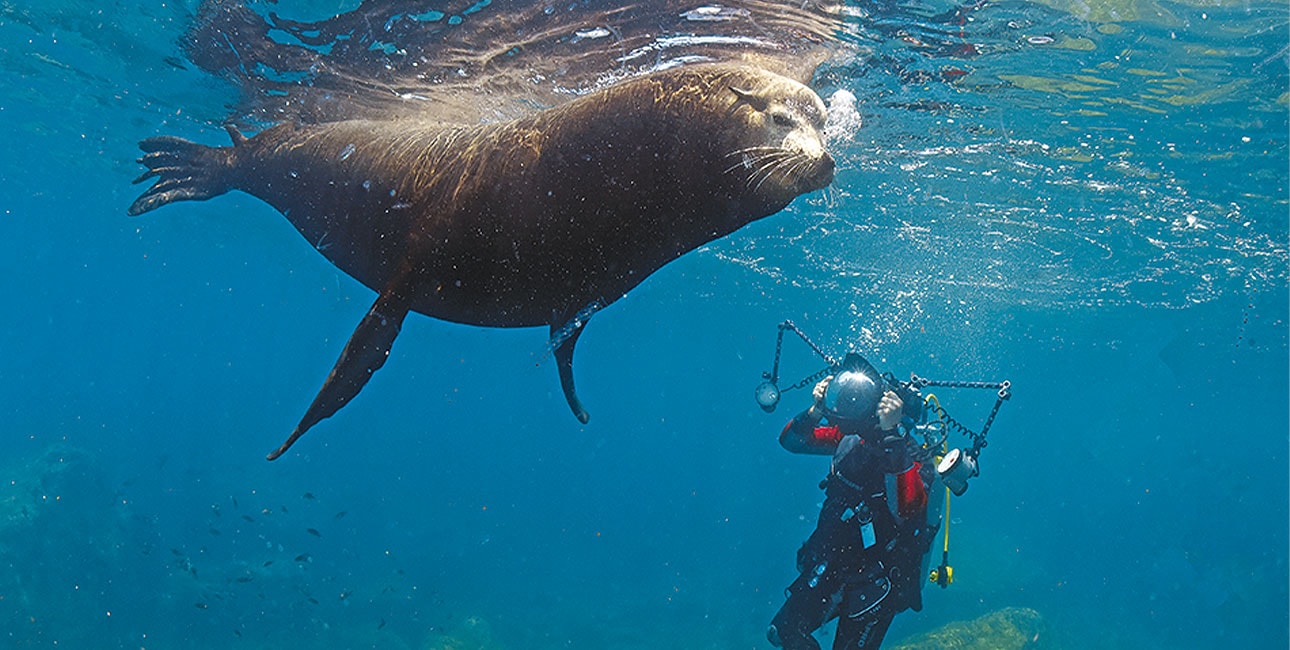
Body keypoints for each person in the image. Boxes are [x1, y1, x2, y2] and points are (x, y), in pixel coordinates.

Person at [768, 353, 940, 650]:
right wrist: (815, 411)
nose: (847, 409)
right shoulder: (849, 439)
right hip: (831, 564)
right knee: (784, 631)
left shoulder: (912, 456)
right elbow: (793, 441)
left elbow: (910, 507)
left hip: (877, 581)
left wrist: (892, 437)